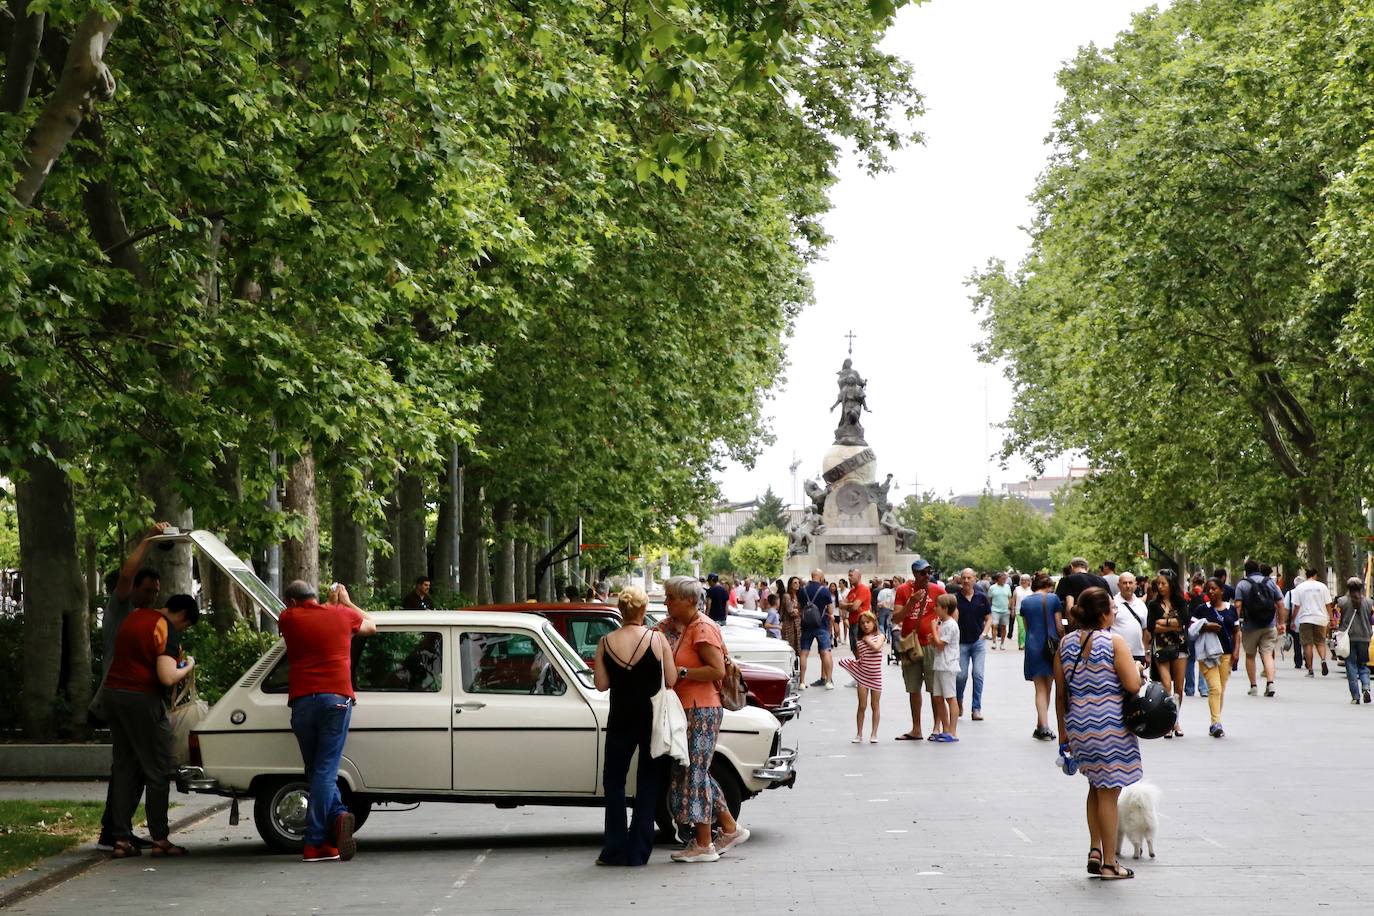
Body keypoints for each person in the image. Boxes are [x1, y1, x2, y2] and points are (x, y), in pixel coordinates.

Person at [278, 580, 379, 862]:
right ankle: (315, 841)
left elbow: (305, 618)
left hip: (301, 702)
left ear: (292, 600)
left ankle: (337, 818)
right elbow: (372, 626)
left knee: (315, 769)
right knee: (324, 770)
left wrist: (331, 605)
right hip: (336, 699)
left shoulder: (288, 617)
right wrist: (344, 603)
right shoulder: (342, 615)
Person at [102, 592, 200, 860]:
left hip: (115, 695)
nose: (183, 629)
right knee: (157, 768)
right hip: (142, 700)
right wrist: (188, 666)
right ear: (181, 615)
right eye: (186, 625)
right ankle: (160, 838)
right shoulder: (164, 626)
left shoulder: (136, 616)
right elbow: (167, 676)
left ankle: (120, 839)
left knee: (124, 767)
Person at [1054, 587, 1142, 880]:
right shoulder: (1113, 642)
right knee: (1109, 793)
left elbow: (1060, 693)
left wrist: (1063, 733)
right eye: (1113, 610)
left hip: (1078, 724)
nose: (1115, 613)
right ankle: (1109, 863)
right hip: (1109, 724)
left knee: (1094, 785)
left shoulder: (1065, 644)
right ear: (1103, 613)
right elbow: (1131, 685)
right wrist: (1139, 671)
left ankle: (1094, 849)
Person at [660, 576, 748, 863]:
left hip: (701, 708)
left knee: (695, 774)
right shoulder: (688, 626)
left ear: (687, 600)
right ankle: (729, 828)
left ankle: (703, 843)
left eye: (671, 597)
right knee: (697, 772)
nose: (666, 602)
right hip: (692, 707)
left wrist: (682, 672)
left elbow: (717, 670)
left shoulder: (702, 629)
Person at [94, 521, 170, 852]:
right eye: (147, 591)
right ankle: (121, 830)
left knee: (126, 764)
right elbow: (126, 575)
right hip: (124, 693)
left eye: (155, 592)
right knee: (138, 764)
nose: (151, 597)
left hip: (123, 693)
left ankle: (115, 831)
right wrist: (147, 541)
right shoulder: (122, 607)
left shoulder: (145, 616)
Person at [592, 586, 676, 866]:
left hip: (620, 719)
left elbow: (601, 684)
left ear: (620, 611)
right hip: (650, 719)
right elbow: (672, 680)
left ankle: (614, 848)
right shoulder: (657, 639)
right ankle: (639, 851)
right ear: (642, 611)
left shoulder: (605, 642)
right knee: (649, 782)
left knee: (614, 782)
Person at [892, 560, 945, 740]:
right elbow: (895, 618)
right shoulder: (903, 591)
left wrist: (943, 634)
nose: (927, 576)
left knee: (934, 687)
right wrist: (910, 603)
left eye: (929, 572)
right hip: (910, 644)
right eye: (923, 573)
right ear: (915, 574)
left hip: (930, 645)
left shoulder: (937, 590)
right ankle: (916, 728)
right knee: (913, 688)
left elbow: (951, 612)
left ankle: (936, 727)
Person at [1192, 578, 1240, 738]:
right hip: (1207, 655)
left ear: (1221, 591)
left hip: (1226, 654)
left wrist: (1236, 652)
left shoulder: (1231, 609)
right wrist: (1206, 626)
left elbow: (1236, 632)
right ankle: (1216, 723)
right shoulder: (1200, 610)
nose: (1211, 592)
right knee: (1215, 688)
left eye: (1214, 589)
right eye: (1208, 589)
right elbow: (1192, 630)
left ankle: (1215, 722)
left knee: (1221, 689)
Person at [1019, 573, 1063, 741]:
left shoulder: (1025, 602)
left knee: (1039, 688)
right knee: (1049, 686)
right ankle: (1044, 726)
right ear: (1049, 586)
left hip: (1033, 645)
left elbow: (1026, 626)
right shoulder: (1053, 599)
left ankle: (1041, 725)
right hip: (1051, 647)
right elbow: (1059, 626)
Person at [1234, 559, 1286, 697]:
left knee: (1250, 656)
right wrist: (1281, 623)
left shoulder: (1242, 584)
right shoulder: (1270, 582)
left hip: (1250, 626)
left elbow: (1238, 605)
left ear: (1246, 570)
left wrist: (1234, 624)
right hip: (1269, 625)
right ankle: (1270, 683)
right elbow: (1280, 604)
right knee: (1267, 654)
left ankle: (1253, 686)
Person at [1145, 574, 1188, 738]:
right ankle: (1167, 723)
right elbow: (1151, 627)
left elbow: (1184, 622)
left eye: (1164, 583)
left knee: (1178, 687)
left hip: (1180, 646)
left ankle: (1175, 720)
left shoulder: (1180, 602)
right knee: (1165, 686)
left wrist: (1162, 623)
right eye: (1159, 584)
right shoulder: (1153, 604)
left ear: (1171, 584)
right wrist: (1172, 624)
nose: (1161, 586)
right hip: (1161, 647)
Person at [839, 611, 885, 742]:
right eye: (862, 623)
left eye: (868, 622)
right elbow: (861, 658)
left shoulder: (880, 637)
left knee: (875, 705)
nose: (865, 625)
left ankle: (874, 734)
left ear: (874, 622)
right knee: (862, 705)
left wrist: (867, 639)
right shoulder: (859, 641)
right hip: (863, 676)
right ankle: (859, 733)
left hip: (876, 677)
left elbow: (876, 648)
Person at [954, 568, 991, 720]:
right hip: (961, 642)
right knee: (961, 676)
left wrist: (985, 633)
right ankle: (959, 701)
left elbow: (989, 617)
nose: (966, 580)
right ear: (960, 580)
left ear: (975, 579)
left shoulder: (981, 597)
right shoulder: (955, 598)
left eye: (969, 578)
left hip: (978, 641)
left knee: (978, 674)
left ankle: (976, 708)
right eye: (964, 578)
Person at [1290, 568, 1334, 677]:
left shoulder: (1300, 588)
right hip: (1320, 618)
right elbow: (1328, 604)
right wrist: (1331, 618)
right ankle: (1323, 659)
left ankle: (1310, 669)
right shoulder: (1322, 587)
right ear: (1315, 575)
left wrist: (1293, 620)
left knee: (1307, 644)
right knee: (1320, 642)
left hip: (1305, 618)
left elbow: (1296, 606)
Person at [930, 594, 961, 742]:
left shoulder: (951, 625)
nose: (935, 608)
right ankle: (946, 728)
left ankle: (953, 731)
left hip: (948, 664)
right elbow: (936, 644)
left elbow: (941, 645)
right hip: (939, 664)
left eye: (937, 606)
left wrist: (934, 631)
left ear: (945, 608)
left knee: (950, 697)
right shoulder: (942, 623)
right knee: (937, 697)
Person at [1335, 578, 1372, 704]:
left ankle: (1355, 696)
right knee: (1363, 665)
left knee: (1350, 665)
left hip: (1348, 638)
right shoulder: (1368, 602)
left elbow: (1338, 617)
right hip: (1364, 637)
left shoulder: (1343, 601)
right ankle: (1366, 687)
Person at [798, 569, 835, 688]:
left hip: (806, 625)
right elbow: (830, 610)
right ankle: (829, 681)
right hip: (821, 625)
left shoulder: (802, 590)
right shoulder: (825, 590)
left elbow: (799, 609)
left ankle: (802, 682)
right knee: (825, 652)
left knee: (804, 653)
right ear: (821, 577)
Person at [1111, 573, 1148, 666]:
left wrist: (1145, 650)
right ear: (1118, 585)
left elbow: (1145, 630)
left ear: (1135, 584)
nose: (1128, 586)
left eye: (1130, 583)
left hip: (1138, 654)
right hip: (1117, 653)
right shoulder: (1112, 603)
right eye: (1124, 583)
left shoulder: (1141, 604)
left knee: (1137, 680)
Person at [841, 567, 872, 657]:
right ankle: (860, 668)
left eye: (851, 575)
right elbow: (842, 604)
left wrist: (850, 606)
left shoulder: (863, 589)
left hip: (860, 624)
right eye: (848, 576)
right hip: (852, 623)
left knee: (860, 649)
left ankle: (863, 669)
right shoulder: (852, 590)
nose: (849, 578)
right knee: (854, 649)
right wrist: (851, 605)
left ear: (858, 576)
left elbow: (854, 607)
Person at [988, 572, 1013, 650]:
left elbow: (1010, 597)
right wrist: (989, 608)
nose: (1004, 580)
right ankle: (994, 642)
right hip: (995, 609)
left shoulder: (1007, 587)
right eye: (1003, 578)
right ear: (998, 579)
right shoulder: (992, 587)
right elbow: (990, 598)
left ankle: (1002, 643)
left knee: (1003, 627)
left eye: (1005, 579)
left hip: (1005, 610)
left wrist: (1010, 606)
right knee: (994, 625)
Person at [780, 576, 802, 655]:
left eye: (798, 583)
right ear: (790, 584)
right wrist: (796, 611)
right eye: (795, 583)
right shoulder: (787, 596)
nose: (797, 584)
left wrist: (797, 611)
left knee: (798, 650)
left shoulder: (798, 596)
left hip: (797, 626)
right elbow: (791, 612)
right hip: (789, 625)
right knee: (790, 648)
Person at [1012, 573, 1033, 650]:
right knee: (1021, 628)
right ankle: (1021, 644)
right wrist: (1012, 610)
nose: (1024, 581)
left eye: (1026, 580)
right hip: (1019, 611)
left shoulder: (1031, 590)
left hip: (1030, 611)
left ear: (1029, 581)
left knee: (1029, 628)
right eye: (1022, 580)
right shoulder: (1017, 589)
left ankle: (1028, 643)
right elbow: (1013, 600)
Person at [876, 577, 896, 644]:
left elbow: (878, 601)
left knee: (881, 623)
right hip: (890, 609)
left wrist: (877, 610)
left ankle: (883, 635)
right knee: (889, 624)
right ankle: (889, 638)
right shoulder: (891, 591)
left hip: (882, 609)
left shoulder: (881, 592)